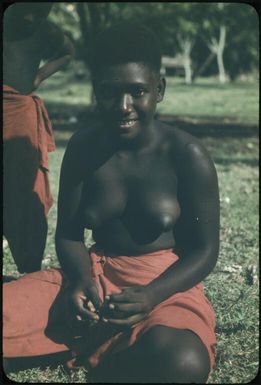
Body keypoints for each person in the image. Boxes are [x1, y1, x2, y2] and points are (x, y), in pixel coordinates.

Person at [3, 23, 220, 383]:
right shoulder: (84, 147)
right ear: (94, 92)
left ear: (159, 89)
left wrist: (150, 296)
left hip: (165, 288)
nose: (123, 107)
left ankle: (91, 352)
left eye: (137, 91)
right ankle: (93, 340)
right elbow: (70, 236)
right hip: (94, 279)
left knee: (184, 361)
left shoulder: (187, 155)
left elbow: (205, 251)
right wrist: (80, 281)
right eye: (109, 92)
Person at [3, 3, 75, 273]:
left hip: (19, 115)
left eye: (41, 12)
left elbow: (69, 52)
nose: (32, 18)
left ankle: (29, 268)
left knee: (23, 188)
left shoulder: (44, 30)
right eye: (25, 11)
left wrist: (40, 75)